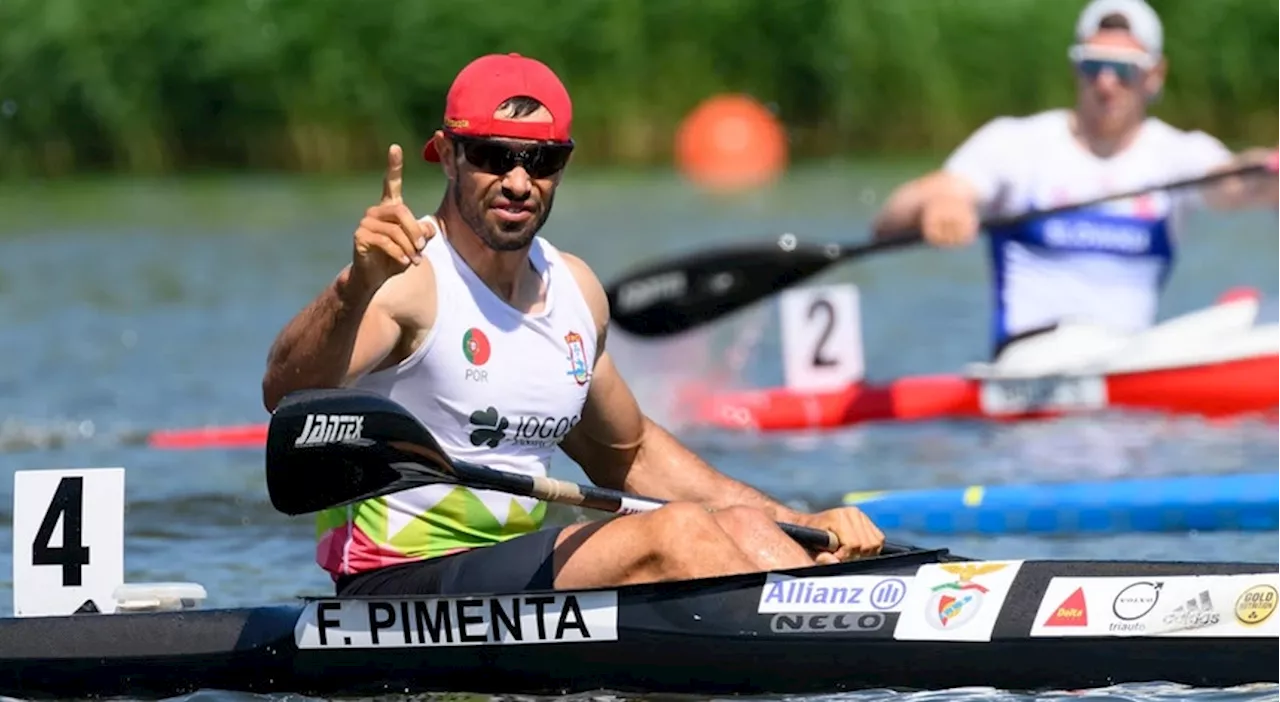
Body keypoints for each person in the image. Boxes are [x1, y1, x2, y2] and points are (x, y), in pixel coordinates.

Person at [261, 52, 885, 597]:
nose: (517, 181)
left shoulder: (576, 292)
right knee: (679, 529)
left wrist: (803, 524)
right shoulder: (410, 280)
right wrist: (355, 285)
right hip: (399, 582)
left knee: (742, 526)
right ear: (448, 156)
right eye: (492, 156)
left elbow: (631, 454)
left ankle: (835, 625)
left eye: (541, 160)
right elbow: (285, 393)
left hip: (509, 580)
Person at [871, 0, 1279, 358]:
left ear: (1154, 75)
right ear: (1075, 67)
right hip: (1029, 365)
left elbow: (1238, 182)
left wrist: (1270, 168)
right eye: (1093, 65)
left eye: (1124, 70)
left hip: (1131, 364)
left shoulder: (1177, 153)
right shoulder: (1018, 143)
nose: (1106, 83)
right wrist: (942, 206)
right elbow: (905, 208)